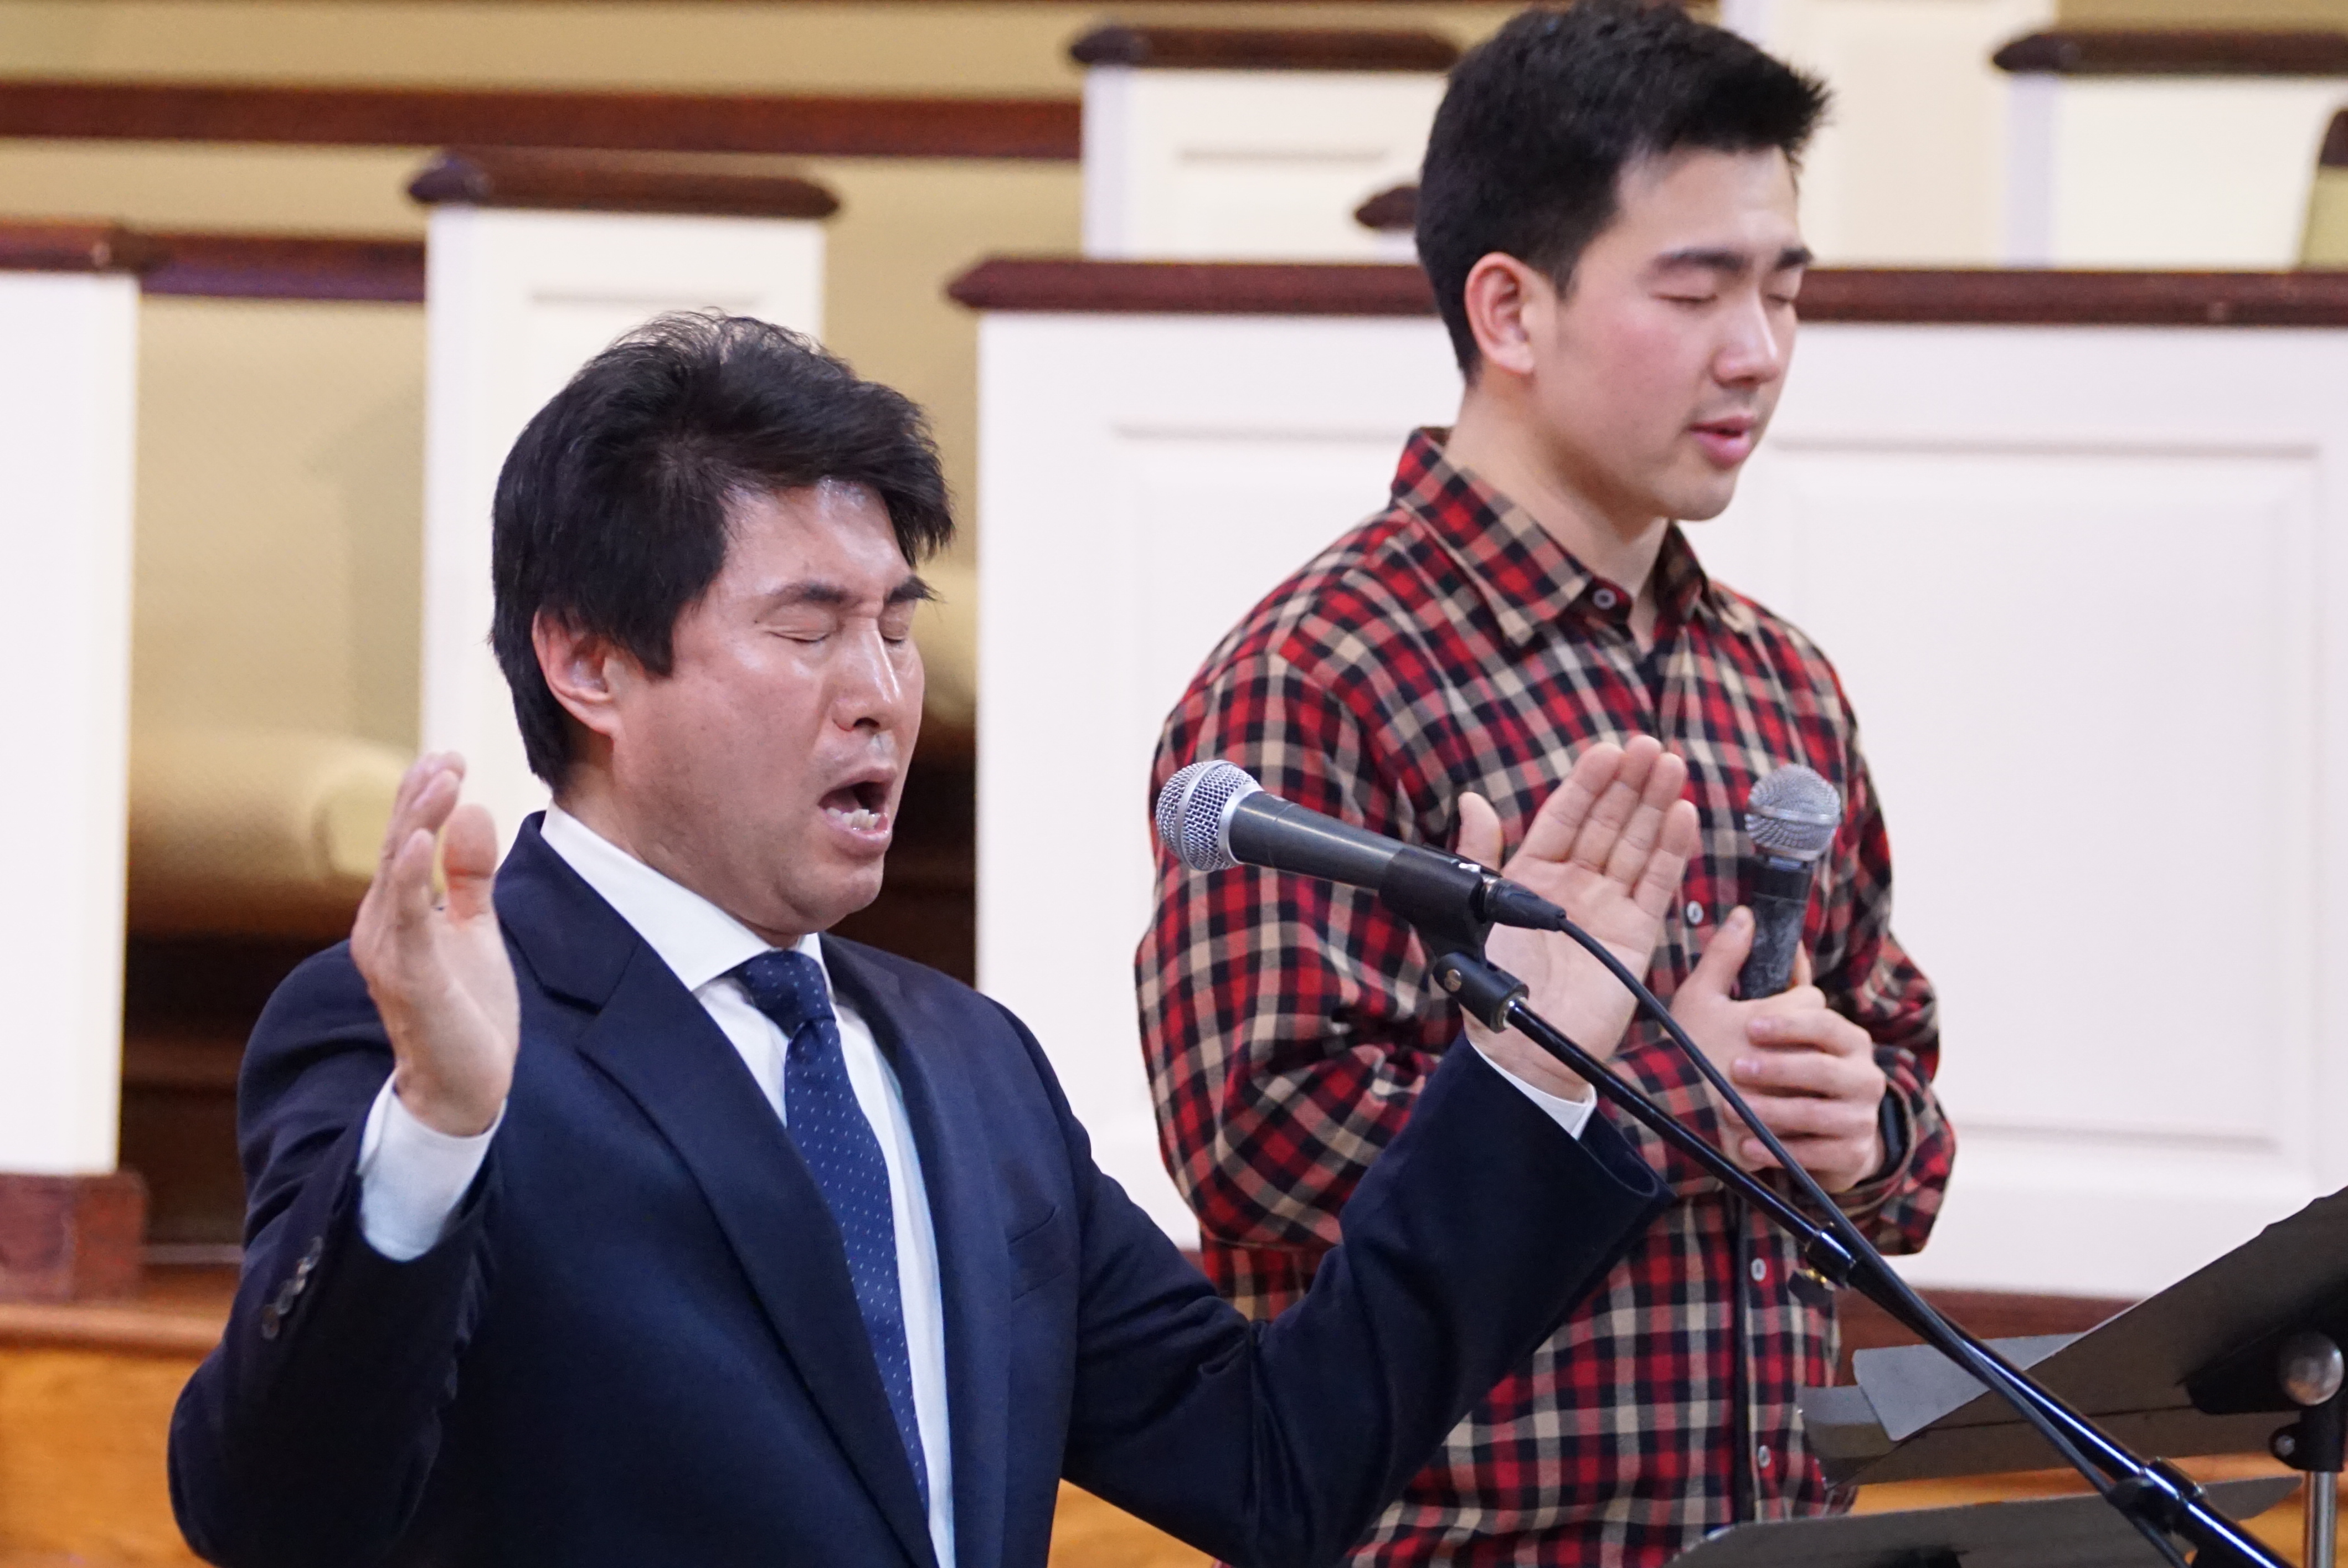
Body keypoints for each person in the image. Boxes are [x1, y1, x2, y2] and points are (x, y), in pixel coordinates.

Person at [166, 313, 1678, 1568]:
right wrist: (437, 1128)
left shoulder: (969, 1063)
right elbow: (277, 1517)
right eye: (808, 628)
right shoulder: (420, 1034)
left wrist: (1522, 1081)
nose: (884, 693)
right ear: (590, 662)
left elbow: (1277, 1462)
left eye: (896, 625)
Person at [1137, 5, 1957, 1563]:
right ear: (1509, 310)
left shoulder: (1780, 680)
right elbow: (1257, 1138)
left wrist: (1867, 1132)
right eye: (1695, 290)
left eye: (1785, 289)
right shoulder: (1320, 673)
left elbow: (1897, 1082)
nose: (1757, 349)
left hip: (1775, 1533)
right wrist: (1679, 1101)